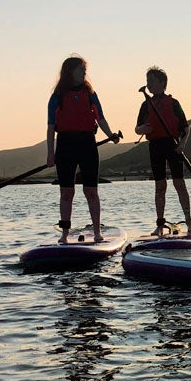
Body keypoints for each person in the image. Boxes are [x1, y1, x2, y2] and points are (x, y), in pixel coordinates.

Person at [46, 55, 120, 244]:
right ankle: (64, 234)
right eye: (81, 70)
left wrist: (110, 134)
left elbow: (100, 118)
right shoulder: (57, 96)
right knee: (66, 193)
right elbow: (51, 127)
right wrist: (50, 153)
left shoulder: (90, 94)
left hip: (87, 143)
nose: (84, 74)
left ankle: (97, 232)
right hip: (65, 145)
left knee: (91, 191)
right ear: (70, 72)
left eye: (84, 71)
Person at [135, 67, 191, 236]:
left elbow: (186, 128)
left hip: (173, 145)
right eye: (147, 82)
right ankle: (160, 224)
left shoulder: (174, 103)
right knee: (160, 186)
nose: (148, 85)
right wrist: (143, 128)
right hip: (155, 146)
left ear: (162, 83)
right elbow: (137, 129)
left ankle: (189, 222)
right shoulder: (146, 104)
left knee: (179, 184)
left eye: (151, 81)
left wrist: (182, 144)